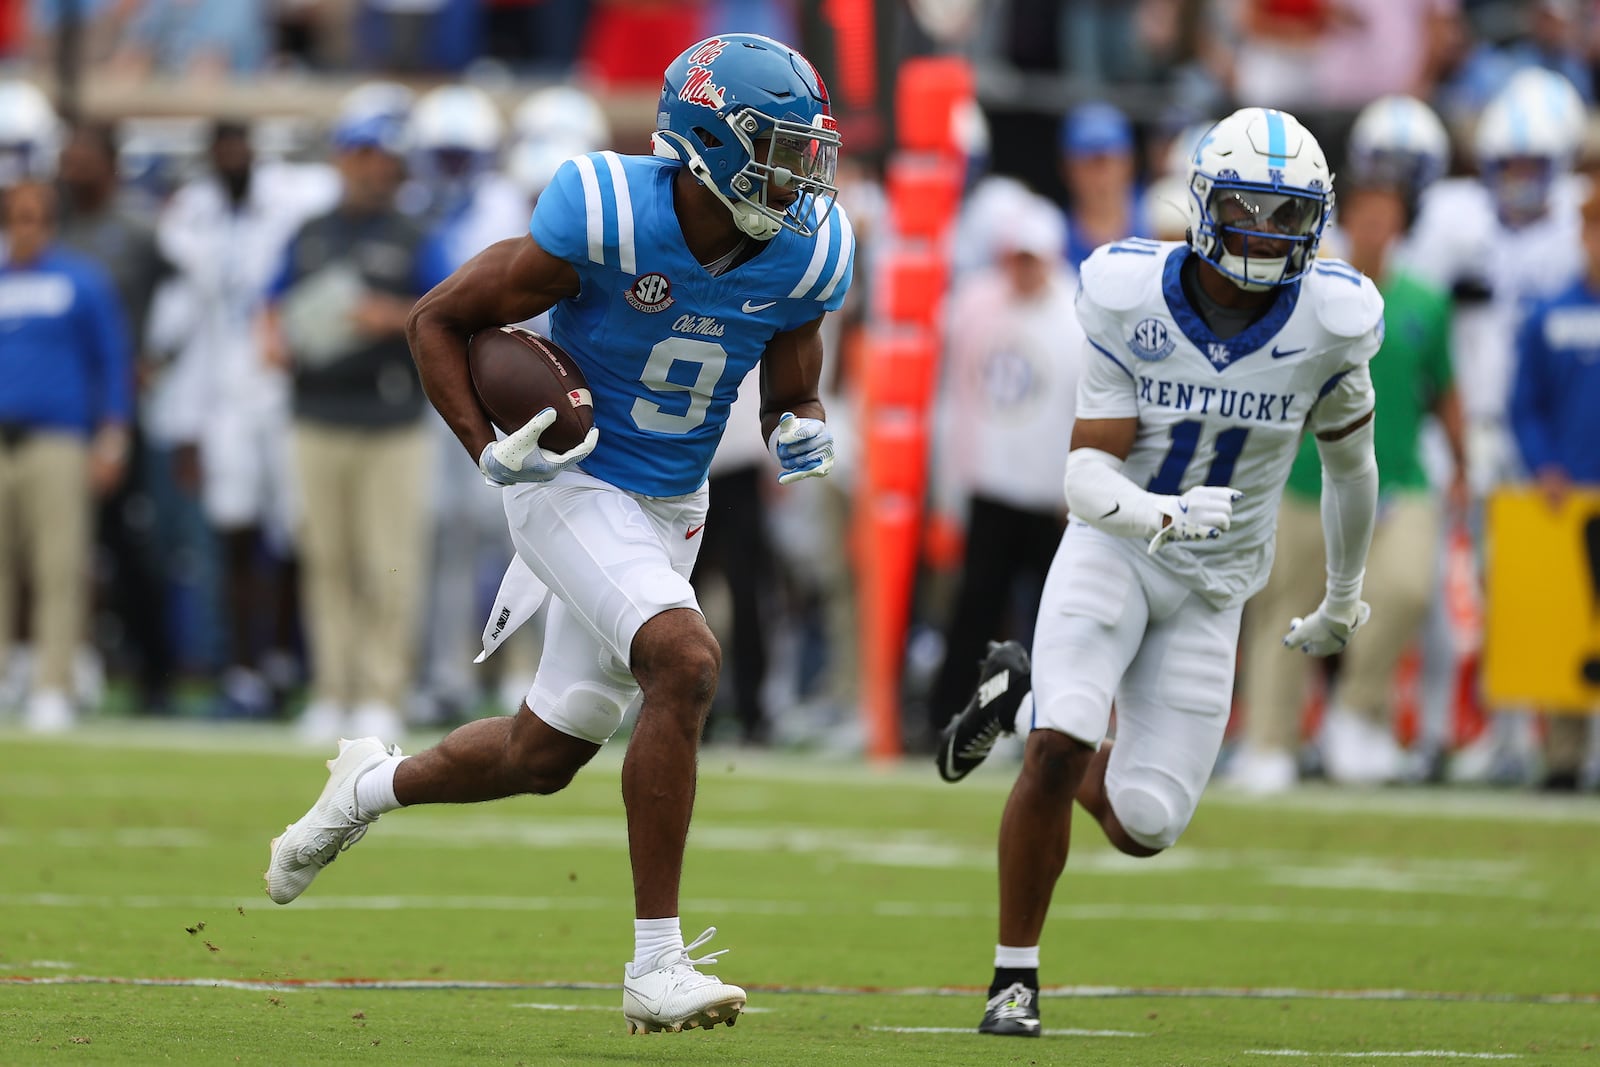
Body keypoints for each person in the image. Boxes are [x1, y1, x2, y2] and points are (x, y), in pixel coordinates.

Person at [264, 33, 852, 1035]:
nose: (800, 175)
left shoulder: (811, 247)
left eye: (808, 151)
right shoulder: (609, 210)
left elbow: (792, 382)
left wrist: (799, 427)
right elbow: (437, 320)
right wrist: (484, 446)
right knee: (687, 658)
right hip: (569, 479)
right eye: (778, 148)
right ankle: (654, 963)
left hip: (673, 507)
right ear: (707, 139)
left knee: (542, 751)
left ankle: (364, 786)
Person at [935, 107, 1382, 1035]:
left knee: (1145, 823)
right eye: (1247, 209)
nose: (1264, 233)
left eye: (1285, 214)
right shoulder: (1129, 294)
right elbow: (1085, 473)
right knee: (1062, 741)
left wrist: (1343, 593)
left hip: (1215, 588)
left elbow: (1352, 468)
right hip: (1118, 547)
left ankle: (1012, 698)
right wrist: (1157, 513)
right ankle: (1013, 977)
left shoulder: (1336, 320)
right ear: (1204, 204)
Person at [1231, 181, 1466, 792]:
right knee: (1283, 604)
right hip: (1308, 475)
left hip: (1399, 476)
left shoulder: (1424, 302)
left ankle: (1359, 714)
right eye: (1364, 213)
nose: (1374, 224)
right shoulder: (1306, 290)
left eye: (1386, 211)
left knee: (1409, 590)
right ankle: (1270, 740)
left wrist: (1464, 464)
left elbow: (1443, 391)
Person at [264, 108, 434, 744]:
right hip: (316, 411)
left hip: (389, 415)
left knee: (388, 560)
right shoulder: (310, 233)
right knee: (325, 558)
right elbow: (272, 302)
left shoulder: (415, 235)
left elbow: (445, 306)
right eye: (359, 156)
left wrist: (387, 316)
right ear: (342, 160)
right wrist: (272, 340)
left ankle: (381, 690)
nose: (368, 169)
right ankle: (331, 690)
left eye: (379, 158)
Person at [926, 194, 1083, 749]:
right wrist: (950, 490)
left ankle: (1043, 724)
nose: (1023, 269)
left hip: (1049, 498)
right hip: (990, 489)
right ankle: (951, 720)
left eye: (1032, 258)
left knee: (1050, 619)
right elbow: (955, 397)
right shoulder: (976, 304)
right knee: (975, 613)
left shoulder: (1076, 315)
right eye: (1016, 257)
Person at [0, 182, 132, 732]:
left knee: (60, 566)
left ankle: (53, 682)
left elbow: (113, 359)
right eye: (17, 217)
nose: (26, 227)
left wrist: (113, 434)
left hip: (58, 439)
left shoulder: (81, 279)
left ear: (50, 221)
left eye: (35, 217)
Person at [1508, 184, 1600, 791]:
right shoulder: (1549, 314)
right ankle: (1564, 757)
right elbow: (1525, 406)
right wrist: (1544, 465)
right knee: (1568, 627)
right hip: (1570, 499)